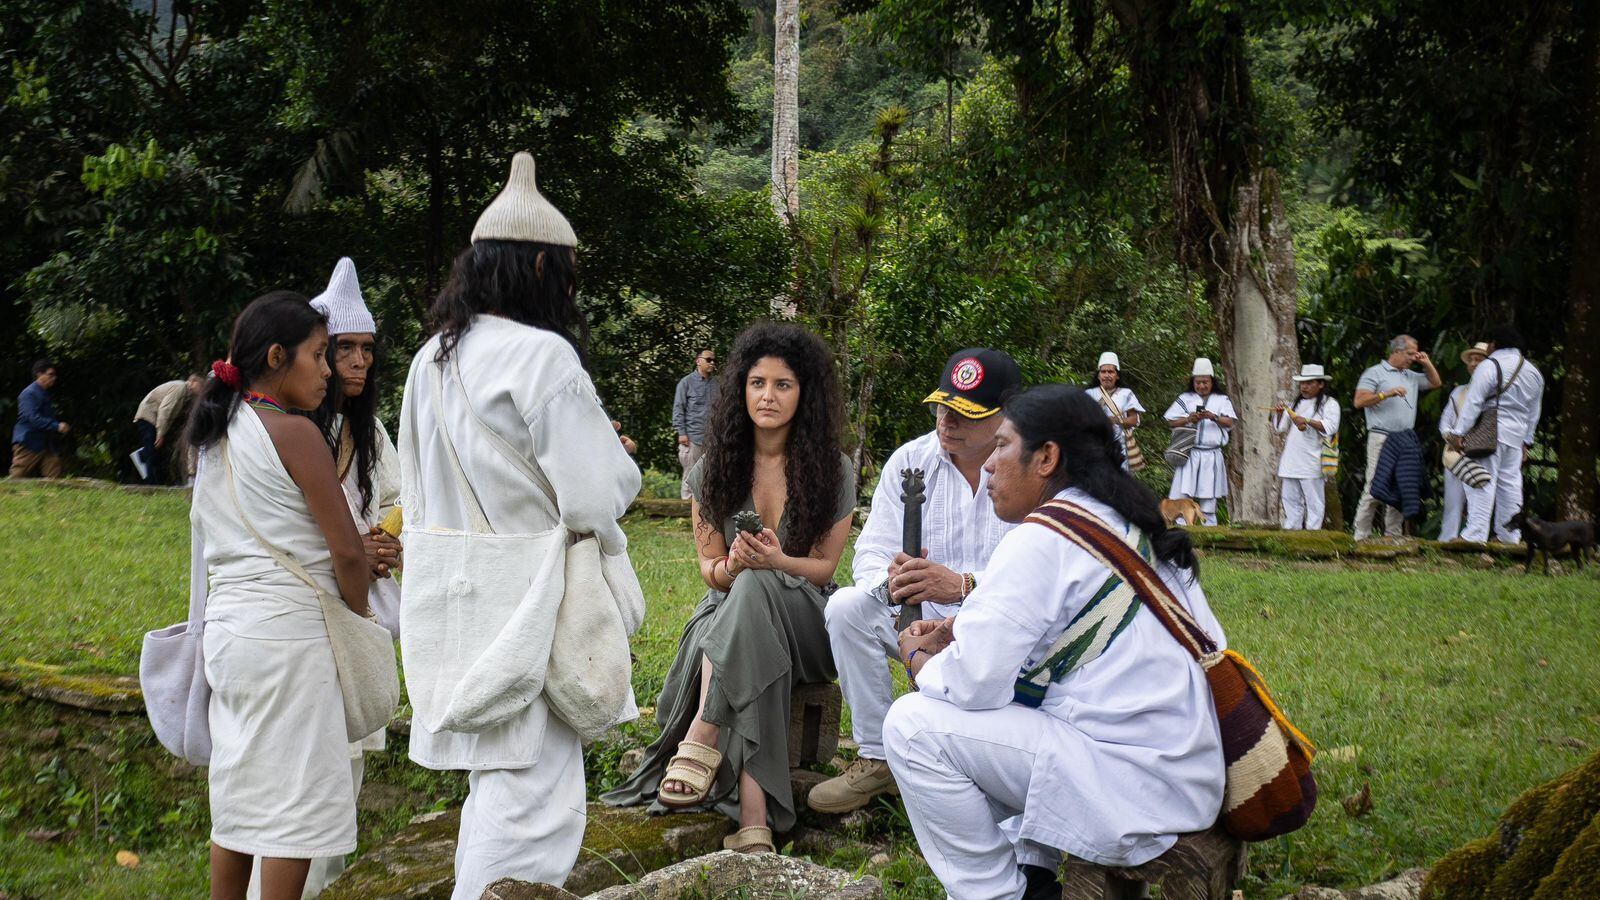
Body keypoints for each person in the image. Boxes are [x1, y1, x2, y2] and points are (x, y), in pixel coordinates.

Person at [398, 153, 642, 898]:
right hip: (533, 599)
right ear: (541, 266)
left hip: (455, 595)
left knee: (495, 792)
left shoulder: (428, 360)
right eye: (566, 274)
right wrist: (619, 462)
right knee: (534, 807)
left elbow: (416, 485)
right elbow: (595, 497)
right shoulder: (543, 356)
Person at [885, 385, 1226, 900]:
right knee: (1025, 705)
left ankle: (998, 894)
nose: (989, 465)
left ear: (1046, 458)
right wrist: (959, 630)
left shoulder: (1043, 536)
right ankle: (1033, 868)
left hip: (1135, 793)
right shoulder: (1120, 522)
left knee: (912, 727)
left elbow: (972, 686)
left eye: (1002, 446)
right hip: (1186, 775)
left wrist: (918, 660)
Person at [605, 322, 856, 855]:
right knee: (747, 603)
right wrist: (734, 567)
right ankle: (755, 817)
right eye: (757, 383)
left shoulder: (833, 470)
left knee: (757, 590)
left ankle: (706, 728)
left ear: (805, 393)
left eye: (783, 385)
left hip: (806, 619)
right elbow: (709, 568)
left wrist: (775, 561)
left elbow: (823, 568)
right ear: (740, 388)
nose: (768, 396)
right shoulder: (711, 468)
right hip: (731, 605)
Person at [186, 292, 371, 900]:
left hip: (230, 638)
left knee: (239, 798)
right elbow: (347, 553)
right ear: (275, 356)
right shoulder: (296, 433)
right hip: (291, 644)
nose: (328, 371)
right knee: (297, 806)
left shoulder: (218, 431)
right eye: (318, 356)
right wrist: (360, 613)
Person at [241, 258, 402, 900]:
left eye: (367, 350)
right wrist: (352, 557)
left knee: (335, 786)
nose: (357, 363)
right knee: (290, 799)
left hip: (348, 620)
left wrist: (390, 542)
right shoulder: (284, 430)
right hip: (303, 624)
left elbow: (401, 503)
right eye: (342, 350)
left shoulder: (372, 435)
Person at [810, 349, 1022, 815]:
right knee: (846, 607)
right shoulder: (911, 459)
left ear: (1006, 416)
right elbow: (870, 551)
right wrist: (892, 582)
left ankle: (983, 766)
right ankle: (878, 758)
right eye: (943, 407)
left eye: (967, 413)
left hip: (998, 631)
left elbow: (1037, 575)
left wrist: (963, 585)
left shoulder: (1027, 470)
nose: (948, 421)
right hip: (915, 620)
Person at [1446, 325, 1545, 544]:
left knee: (1481, 481)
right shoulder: (1534, 372)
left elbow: (1474, 401)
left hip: (1490, 431)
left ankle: (1475, 535)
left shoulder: (1490, 365)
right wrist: (1527, 441)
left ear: (1494, 344)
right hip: (1516, 435)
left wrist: (1458, 433)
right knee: (1510, 485)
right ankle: (1509, 536)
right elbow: (1534, 412)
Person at [1351, 334, 1440, 540]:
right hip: (1381, 437)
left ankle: (1393, 534)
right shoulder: (1374, 372)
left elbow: (1435, 383)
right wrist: (1386, 394)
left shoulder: (1411, 375)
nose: (1413, 358)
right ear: (1396, 352)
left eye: (1415, 354)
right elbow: (1359, 401)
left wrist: (1426, 363)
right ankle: (1361, 533)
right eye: (1410, 354)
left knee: (1401, 484)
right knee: (1374, 484)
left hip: (1404, 439)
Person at [1163, 358, 1236, 526]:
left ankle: (1210, 532)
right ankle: (1182, 534)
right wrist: (1189, 419)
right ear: (1193, 382)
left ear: (1212, 382)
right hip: (1190, 453)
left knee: (1208, 503)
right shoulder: (1185, 398)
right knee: (1182, 500)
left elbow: (1230, 422)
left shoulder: (1221, 399)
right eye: (1198, 382)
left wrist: (1213, 417)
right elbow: (1171, 421)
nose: (1201, 386)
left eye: (1205, 382)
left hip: (1211, 455)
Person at [1272, 364, 1341, 531]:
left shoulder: (1329, 404)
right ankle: (1291, 532)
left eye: (1309, 383)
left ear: (1321, 384)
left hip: (1312, 461)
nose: (1304, 386)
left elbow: (1330, 427)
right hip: (1291, 460)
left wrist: (1308, 421)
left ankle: (1313, 534)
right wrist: (1280, 414)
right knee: (1290, 500)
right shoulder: (1295, 404)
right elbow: (1280, 428)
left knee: (1314, 503)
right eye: (1303, 383)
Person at [1437, 343, 1489, 542]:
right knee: (1453, 500)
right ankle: (1447, 539)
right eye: (1471, 360)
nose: (1473, 363)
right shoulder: (1459, 391)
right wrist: (1451, 437)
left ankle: (1476, 538)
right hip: (1455, 452)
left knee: (1479, 496)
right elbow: (1446, 420)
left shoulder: (1494, 392)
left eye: (1479, 360)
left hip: (1482, 449)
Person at [133, 374, 203, 484]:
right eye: (200, 384)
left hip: (152, 417)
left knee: (154, 452)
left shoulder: (184, 394)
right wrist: (160, 434)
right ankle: (152, 484)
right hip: (149, 416)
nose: (201, 389)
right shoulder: (180, 388)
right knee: (152, 453)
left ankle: (143, 456)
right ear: (192, 382)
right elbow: (165, 410)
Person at [10, 360, 69, 479]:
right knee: (17, 478)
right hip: (29, 442)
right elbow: (33, 418)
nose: (54, 378)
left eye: (54, 375)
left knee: (55, 476)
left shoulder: (43, 393)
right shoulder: (29, 393)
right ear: (39, 374)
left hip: (45, 443)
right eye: (50, 374)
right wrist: (56, 426)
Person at [1087, 351, 1145, 471]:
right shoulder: (1089, 394)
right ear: (1098, 375)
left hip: (1120, 450)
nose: (1106, 375)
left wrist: (1114, 420)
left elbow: (1134, 420)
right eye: (1103, 372)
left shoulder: (1126, 394)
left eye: (1110, 372)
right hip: (1094, 449)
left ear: (1117, 375)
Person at [674, 347, 718, 499]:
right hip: (692, 438)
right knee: (690, 472)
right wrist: (682, 433)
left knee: (710, 472)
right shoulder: (685, 383)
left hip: (713, 438)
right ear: (698, 361)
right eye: (709, 359)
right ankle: (686, 506)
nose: (712, 363)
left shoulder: (717, 384)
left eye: (714, 360)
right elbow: (678, 409)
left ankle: (707, 505)